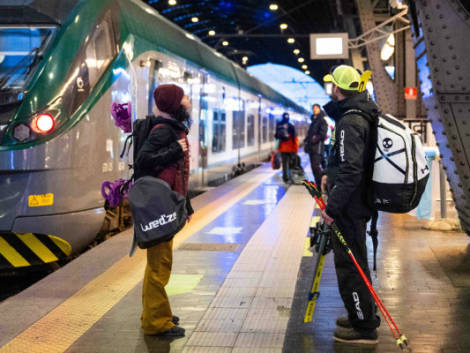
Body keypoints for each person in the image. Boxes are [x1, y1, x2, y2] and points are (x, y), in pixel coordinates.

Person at [321, 65, 380, 344]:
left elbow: (351, 170)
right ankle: (361, 316)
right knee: (355, 263)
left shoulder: (349, 122)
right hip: (356, 204)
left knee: (350, 266)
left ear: (337, 89)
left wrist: (331, 209)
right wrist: (327, 174)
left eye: (333, 85)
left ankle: (363, 327)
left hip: (348, 208)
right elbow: (345, 164)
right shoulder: (358, 115)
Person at [134, 83, 194, 337]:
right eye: (184, 98)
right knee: (159, 265)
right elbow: (143, 162)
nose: (188, 102)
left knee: (160, 263)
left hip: (167, 203)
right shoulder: (164, 132)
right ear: (174, 105)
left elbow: (178, 173)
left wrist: (185, 204)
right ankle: (155, 323)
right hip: (159, 207)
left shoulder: (173, 129)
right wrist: (174, 150)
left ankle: (156, 312)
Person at [304, 104, 327, 185]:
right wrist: (306, 142)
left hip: (318, 148)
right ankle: (319, 183)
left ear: (319, 109)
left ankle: (321, 184)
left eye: (316, 108)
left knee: (316, 167)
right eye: (313, 108)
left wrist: (315, 138)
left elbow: (323, 134)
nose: (314, 110)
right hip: (312, 148)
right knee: (314, 167)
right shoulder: (314, 121)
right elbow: (310, 134)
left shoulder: (322, 120)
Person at [275, 112, 298, 183]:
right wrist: (295, 148)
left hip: (283, 147)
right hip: (291, 147)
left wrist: (277, 148)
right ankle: (291, 177)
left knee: (284, 163)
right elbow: (294, 137)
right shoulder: (291, 125)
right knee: (292, 163)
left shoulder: (279, 125)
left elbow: (276, 136)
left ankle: (285, 177)